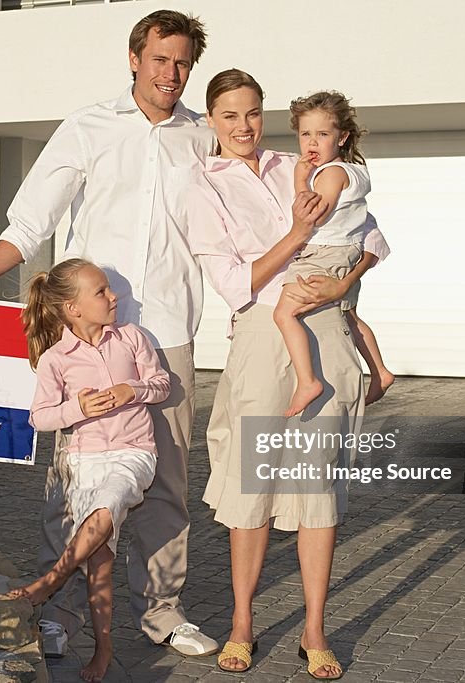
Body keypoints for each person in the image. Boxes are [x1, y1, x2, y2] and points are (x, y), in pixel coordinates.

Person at [0, 9, 252, 656]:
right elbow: (28, 226)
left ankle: (161, 611)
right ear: (134, 58)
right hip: (89, 339)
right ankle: (61, 615)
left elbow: (240, 219)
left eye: (183, 62)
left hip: (168, 335)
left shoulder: (201, 138)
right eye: (160, 60)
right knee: (75, 481)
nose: (172, 74)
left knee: (166, 484)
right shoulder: (88, 127)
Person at [186, 69, 390, 679]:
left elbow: (374, 238)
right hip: (259, 333)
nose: (243, 126)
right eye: (228, 115)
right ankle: (243, 624)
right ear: (212, 121)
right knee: (252, 486)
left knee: (315, 488)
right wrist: (298, 233)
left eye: (251, 113)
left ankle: (314, 629)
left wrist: (343, 281)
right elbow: (235, 282)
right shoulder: (202, 185)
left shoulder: (301, 161)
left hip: (323, 327)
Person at [7, 258, 169, 682]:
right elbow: (39, 418)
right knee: (100, 562)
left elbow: (161, 384)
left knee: (110, 503)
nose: (113, 297)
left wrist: (129, 389)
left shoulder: (132, 338)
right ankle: (103, 649)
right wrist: (76, 407)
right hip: (84, 461)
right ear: (73, 308)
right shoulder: (55, 359)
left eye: (109, 289)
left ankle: (50, 582)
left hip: (134, 454)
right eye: (101, 292)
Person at [275, 91, 396, 417]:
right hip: (346, 252)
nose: (312, 142)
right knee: (350, 315)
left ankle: (308, 381)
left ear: (342, 137)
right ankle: (380, 372)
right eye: (305, 134)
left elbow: (314, 213)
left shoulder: (331, 173)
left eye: (323, 134)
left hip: (325, 252)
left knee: (284, 314)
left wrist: (301, 181)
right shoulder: (353, 171)